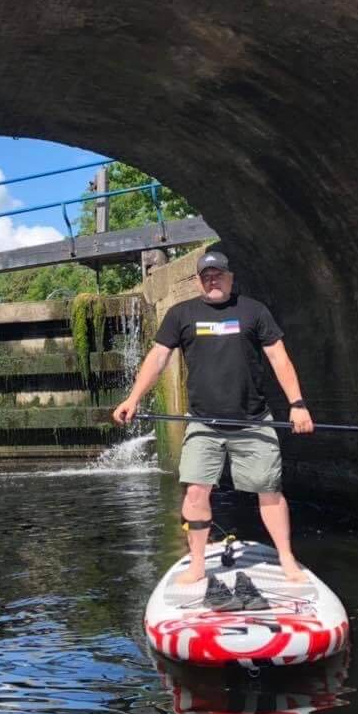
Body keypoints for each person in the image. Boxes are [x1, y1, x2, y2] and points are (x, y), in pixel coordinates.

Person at [113, 248, 314, 585]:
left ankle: (286, 559)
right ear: (198, 281)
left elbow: (279, 358)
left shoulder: (253, 311)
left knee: (269, 489)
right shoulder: (181, 314)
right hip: (203, 424)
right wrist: (134, 398)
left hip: (253, 420)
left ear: (230, 277)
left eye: (218, 274)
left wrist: (298, 403)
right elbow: (158, 357)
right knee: (195, 493)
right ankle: (196, 565)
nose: (213, 280)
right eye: (206, 276)